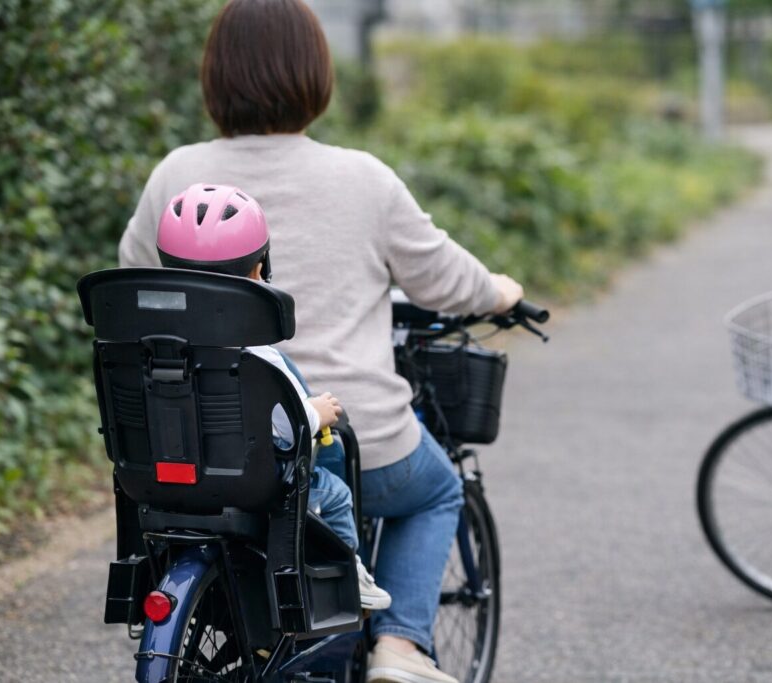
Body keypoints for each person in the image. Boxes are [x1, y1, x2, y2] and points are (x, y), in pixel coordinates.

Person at [117, 2, 524, 681]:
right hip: (344, 438)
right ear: (314, 74)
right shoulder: (362, 177)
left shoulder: (177, 173)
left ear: (214, 77)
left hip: (209, 444)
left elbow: (133, 287)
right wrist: (502, 293)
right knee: (436, 491)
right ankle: (400, 644)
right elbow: (448, 280)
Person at [155, 182, 391, 612]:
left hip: (166, 478)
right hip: (251, 482)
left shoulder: (154, 347)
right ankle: (348, 567)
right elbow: (281, 423)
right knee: (333, 489)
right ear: (259, 268)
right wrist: (316, 412)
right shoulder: (260, 354)